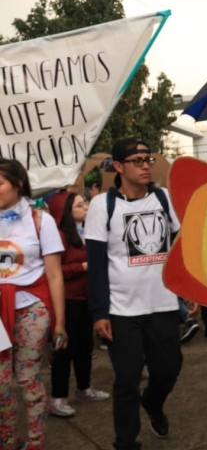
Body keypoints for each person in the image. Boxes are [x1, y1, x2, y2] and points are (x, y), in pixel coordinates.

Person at [86, 137, 192, 450]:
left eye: (148, 159)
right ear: (119, 167)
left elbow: (181, 247)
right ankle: (126, 441)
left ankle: (154, 403)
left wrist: (189, 290)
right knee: (128, 379)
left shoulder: (164, 199)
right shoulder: (101, 205)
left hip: (162, 303)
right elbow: (96, 263)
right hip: (121, 310)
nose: (146, 166)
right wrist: (99, 312)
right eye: (137, 161)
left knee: (169, 368)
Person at [0, 158, 68, 450]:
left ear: (17, 184)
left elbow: (54, 274)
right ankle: (8, 441)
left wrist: (60, 324)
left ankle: (36, 442)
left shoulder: (41, 220)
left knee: (28, 378)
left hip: (31, 307)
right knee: (1, 385)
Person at [47, 191, 109, 417]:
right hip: (67, 300)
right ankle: (57, 397)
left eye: (85, 203)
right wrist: (83, 267)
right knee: (64, 349)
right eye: (80, 205)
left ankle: (84, 388)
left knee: (85, 347)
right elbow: (54, 272)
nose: (86, 207)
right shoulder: (58, 236)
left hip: (86, 298)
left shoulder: (87, 231)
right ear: (65, 212)